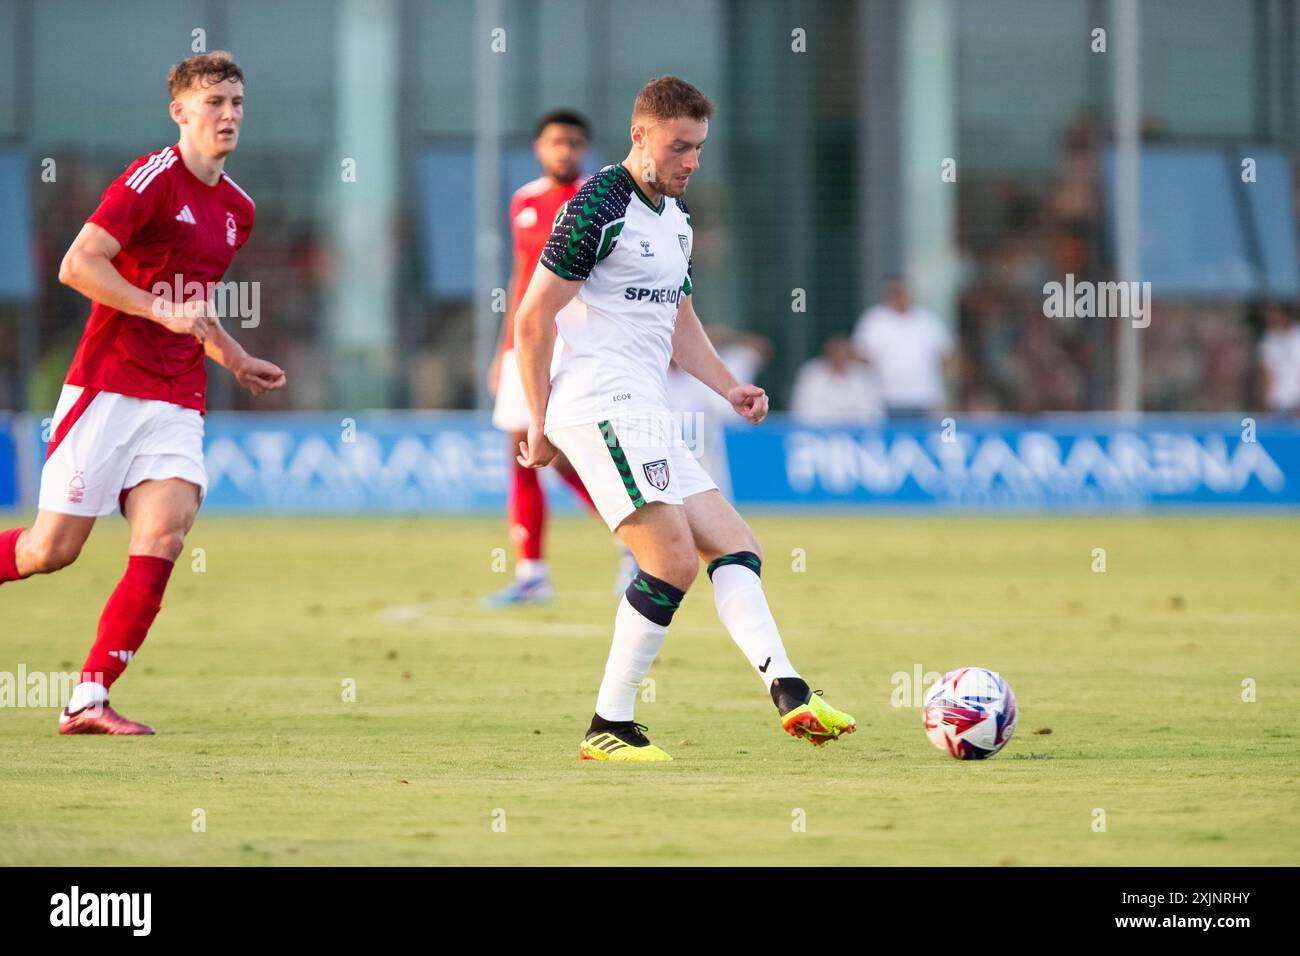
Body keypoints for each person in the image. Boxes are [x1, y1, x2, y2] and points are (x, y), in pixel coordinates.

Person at [513, 75, 856, 761]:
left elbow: (679, 320)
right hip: (598, 404)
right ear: (641, 136)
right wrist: (540, 420)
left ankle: (789, 689)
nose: (691, 161)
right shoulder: (596, 207)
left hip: (648, 410)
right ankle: (609, 725)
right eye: (679, 148)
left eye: (698, 148)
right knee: (668, 562)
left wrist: (730, 386)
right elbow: (532, 318)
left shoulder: (676, 220)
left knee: (734, 543)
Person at [0, 51, 286, 734]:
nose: (228, 115)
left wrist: (236, 357)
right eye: (213, 102)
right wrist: (156, 311)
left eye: (237, 103)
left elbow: (197, 303)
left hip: (178, 396)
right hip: (109, 385)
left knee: (165, 530)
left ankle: (88, 697)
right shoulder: (151, 179)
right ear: (180, 111)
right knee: (50, 552)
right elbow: (78, 265)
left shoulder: (236, 209)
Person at [484, 108, 636, 606]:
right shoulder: (524, 201)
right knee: (523, 455)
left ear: (585, 149)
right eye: (555, 142)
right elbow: (521, 275)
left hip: (575, 346)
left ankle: (634, 542)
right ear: (539, 147)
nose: (564, 150)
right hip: (525, 347)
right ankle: (532, 574)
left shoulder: (599, 201)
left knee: (575, 456)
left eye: (573, 142)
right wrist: (503, 348)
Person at [851, 276, 954, 416]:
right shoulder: (875, 320)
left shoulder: (927, 320)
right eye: (894, 292)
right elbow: (859, 353)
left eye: (902, 291)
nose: (899, 296)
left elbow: (946, 355)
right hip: (886, 396)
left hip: (924, 395)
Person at [790, 335, 885, 423]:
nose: (840, 357)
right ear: (827, 354)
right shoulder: (811, 374)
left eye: (844, 354)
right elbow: (803, 410)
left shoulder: (863, 376)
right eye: (836, 353)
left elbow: (873, 411)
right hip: (818, 433)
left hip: (858, 434)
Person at [1258, 303, 1300, 413]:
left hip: (1295, 401)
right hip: (1275, 402)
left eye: (1274, 314)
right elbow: (1265, 372)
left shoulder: (1297, 336)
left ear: (1283, 315)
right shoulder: (1268, 339)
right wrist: (1265, 402)